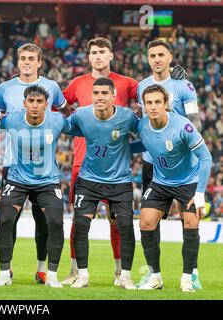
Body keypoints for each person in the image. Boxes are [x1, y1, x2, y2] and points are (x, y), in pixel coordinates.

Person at [60, 37, 187, 285]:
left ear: (111, 55)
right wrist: (77, 119)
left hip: (117, 165)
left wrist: (173, 79)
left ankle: (121, 271)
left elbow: (154, 96)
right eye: (93, 52)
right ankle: (76, 270)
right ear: (88, 57)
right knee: (80, 220)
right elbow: (60, 106)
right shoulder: (77, 83)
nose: (97, 56)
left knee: (118, 222)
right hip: (82, 161)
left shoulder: (128, 84)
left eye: (102, 52)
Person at [0, 43, 68, 285]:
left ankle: (42, 268)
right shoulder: (5, 88)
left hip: (44, 169)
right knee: (9, 220)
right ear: (18, 61)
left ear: (39, 62)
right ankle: (7, 270)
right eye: (23, 58)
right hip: (13, 163)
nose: (26, 62)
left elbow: (65, 116)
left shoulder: (52, 87)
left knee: (44, 221)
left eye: (31, 58)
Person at [137, 39, 203, 289]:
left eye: (161, 55)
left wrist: (178, 140)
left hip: (182, 162)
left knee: (189, 220)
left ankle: (191, 273)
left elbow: (196, 122)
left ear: (170, 57)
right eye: (152, 55)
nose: (156, 59)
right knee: (149, 221)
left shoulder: (184, 85)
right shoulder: (142, 86)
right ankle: (153, 274)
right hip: (151, 163)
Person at [65, 77, 138, 289]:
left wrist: (128, 149)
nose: (99, 97)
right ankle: (83, 276)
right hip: (88, 180)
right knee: (80, 225)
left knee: (125, 226)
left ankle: (125, 276)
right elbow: (63, 127)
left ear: (113, 95)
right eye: (96, 93)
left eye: (104, 93)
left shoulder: (127, 117)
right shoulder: (81, 115)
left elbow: (147, 134)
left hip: (120, 181)